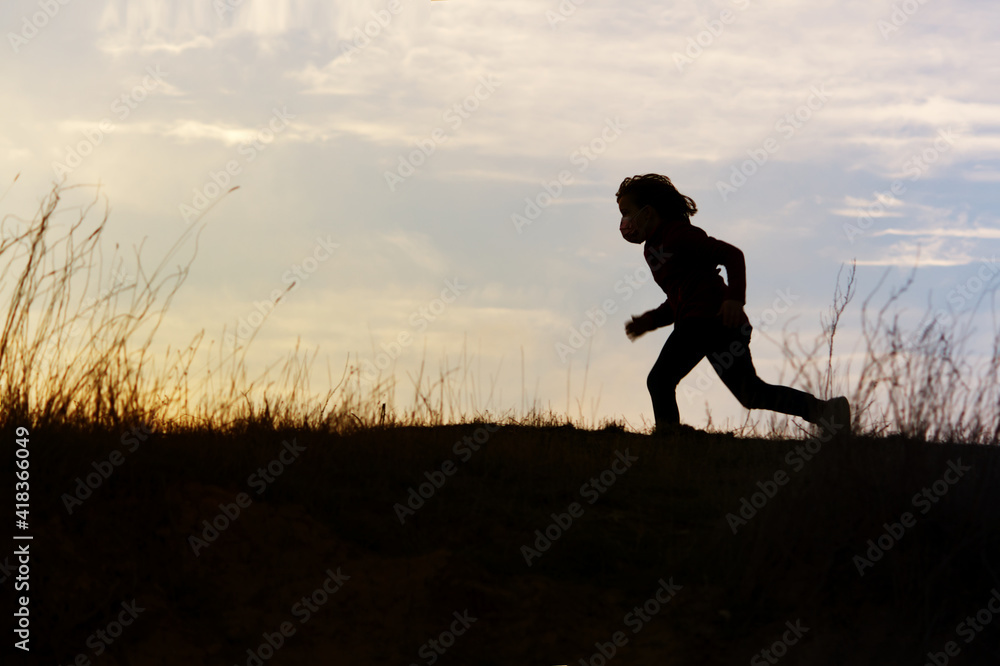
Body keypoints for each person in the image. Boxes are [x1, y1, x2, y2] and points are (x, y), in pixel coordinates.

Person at [617, 173, 850, 439]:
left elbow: (732, 255)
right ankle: (828, 412)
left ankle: (669, 442)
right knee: (751, 393)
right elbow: (679, 297)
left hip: (705, 322)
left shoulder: (679, 234)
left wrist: (735, 300)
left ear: (647, 212)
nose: (624, 222)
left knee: (660, 380)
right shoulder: (653, 249)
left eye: (627, 212)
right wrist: (651, 320)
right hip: (715, 324)